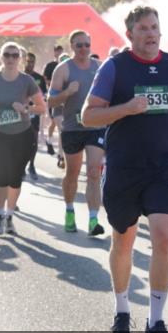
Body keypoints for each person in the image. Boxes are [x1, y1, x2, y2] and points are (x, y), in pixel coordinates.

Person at [83, 5, 168, 333]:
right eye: (142, 28)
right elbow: (88, 116)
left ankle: (156, 320)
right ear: (130, 34)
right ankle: (122, 309)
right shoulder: (115, 67)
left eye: (154, 27)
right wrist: (125, 108)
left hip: (164, 166)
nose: (150, 33)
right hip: (125, 168)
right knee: (123, 241)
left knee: (163, 236)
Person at [0, 42, 46, 235]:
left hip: (22, 135)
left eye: (15, 55)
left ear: (20, 58)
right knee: (1, 177)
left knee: (15, 178)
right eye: (7, 55)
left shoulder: (26, 81)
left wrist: (26, 109)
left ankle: (10, 216)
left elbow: (42, 107)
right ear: (1, 57)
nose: (11, 59)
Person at [48, 31, 106, 235]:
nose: (83, 49)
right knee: (72, 173)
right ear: (72, 46)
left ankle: (93, 220)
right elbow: (51, 101)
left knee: (93, 172)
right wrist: (67, 92)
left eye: (87, 45)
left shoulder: (99, 68)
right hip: (72, 128)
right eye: (79, 45)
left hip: (95, 127)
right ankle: (70, 211)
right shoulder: (63, 69)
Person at [23, 51, 47, 181]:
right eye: (28, 61)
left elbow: (43, 95)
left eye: (32, 62)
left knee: (33, 140)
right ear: (23, 62)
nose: (30, 64)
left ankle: (31, 165)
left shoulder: (39, 78)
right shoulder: (18, 76)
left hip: (34, 111)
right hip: (20, 112)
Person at [43, 44, 64, 160]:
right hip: (52, 96)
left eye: (61, 51)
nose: (59, 52)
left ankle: (60, 151)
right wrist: (53, 83)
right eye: (57, 51)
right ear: (54, 52)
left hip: (64, 99)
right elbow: (44, 79)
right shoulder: (50, 65)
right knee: (54, 122)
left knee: (59, 124)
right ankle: (49, 140)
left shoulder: (67, 65)